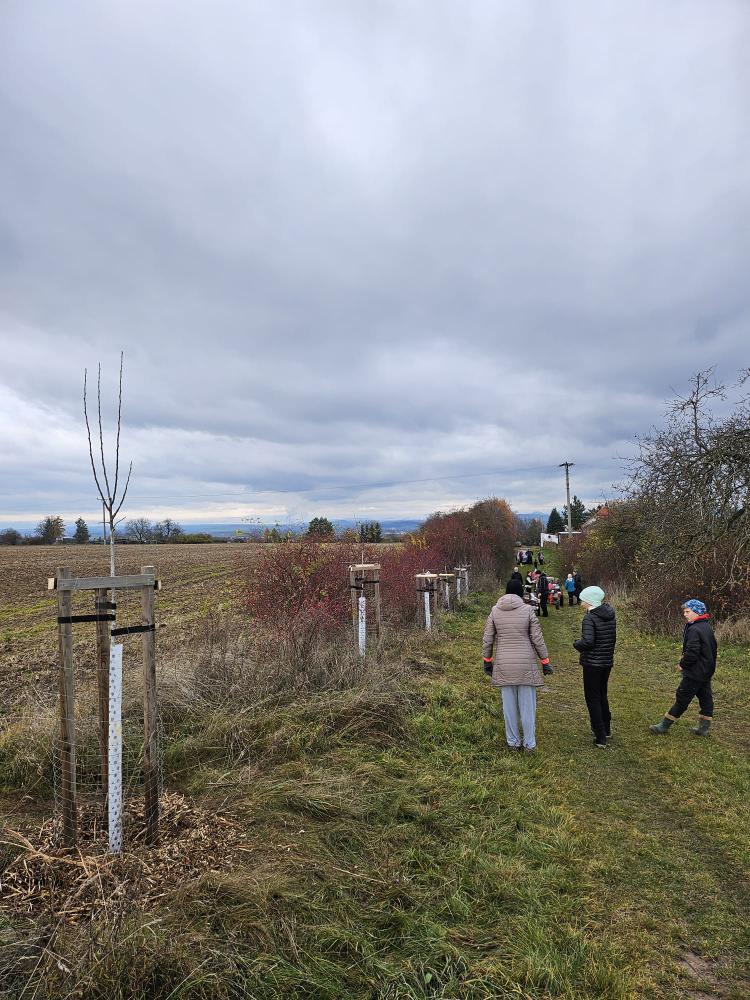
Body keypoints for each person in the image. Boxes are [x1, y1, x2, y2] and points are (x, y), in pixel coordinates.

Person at [483, 582, 552, 752]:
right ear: (521, 594)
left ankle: (513, 742)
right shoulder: (528, 610)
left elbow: (488, 638)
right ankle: (529, 743)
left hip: (504, 664)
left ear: (505, 592)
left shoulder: (495, 611)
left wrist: (487, 660)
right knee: (528, 707)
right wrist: (545, 661)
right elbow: (537, 638)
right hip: (525, 664)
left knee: (509, 707)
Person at [649, 599, 717, 737]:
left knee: (682, 697)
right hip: (706, 670)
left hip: (695, 672)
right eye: (684, 612)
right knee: (706, 699)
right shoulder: (706, 626)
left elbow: (692, 652)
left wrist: (682, 664)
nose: (685, 614)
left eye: (687, 611)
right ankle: (703, 729)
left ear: (697, 612)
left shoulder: (694, 629)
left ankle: (664, 726)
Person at [573, 585, 617, 748]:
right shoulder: (610, 615)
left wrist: (576, 644)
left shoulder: (589, 618)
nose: (581, 603)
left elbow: (588, 642)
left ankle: (600, 737)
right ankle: (606, 729)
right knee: (602, 695)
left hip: (592, 664)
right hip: (606, 662)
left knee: (592, 698)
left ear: (590, 601)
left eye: (583, 600)